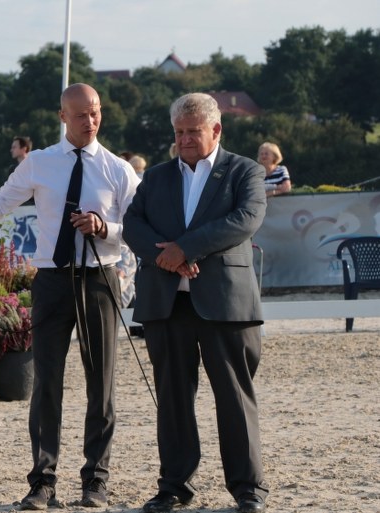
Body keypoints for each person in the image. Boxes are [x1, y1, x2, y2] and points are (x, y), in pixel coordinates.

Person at [0, 83, 139, 510]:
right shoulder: (39, 163)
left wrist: (104, 228)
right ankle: (43, 482)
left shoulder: (118, 169)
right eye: (80, 114)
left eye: (95, 112)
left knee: (101, 383)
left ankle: (96, 480)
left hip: (99, 279)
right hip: (52, 281)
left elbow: (138, 228)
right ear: (62, 116)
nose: (90, 121)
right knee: (46, 383)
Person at [122, 92, 268, 513]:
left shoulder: (245, 170)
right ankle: (174, 485)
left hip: (225, 302)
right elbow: (133, 223)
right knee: (171, 401)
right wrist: (165, 257)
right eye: (179, 132)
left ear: (216, 130)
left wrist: (185, 249)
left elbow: (245, 219)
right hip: (166, 303)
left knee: (235, 398)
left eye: (193, 131)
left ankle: (248, 488)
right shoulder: (157, 177)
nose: (184, 139)